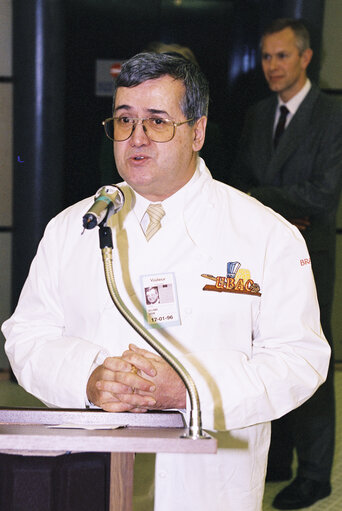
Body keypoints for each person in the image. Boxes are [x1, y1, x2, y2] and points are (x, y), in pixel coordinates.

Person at [2, 52, 331, 511]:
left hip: (208, 485)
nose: (137, 139)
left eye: (157, 122)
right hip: (93, 474)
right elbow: (26, 335)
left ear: (197, 132)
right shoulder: (70, 228)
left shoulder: (266, 234)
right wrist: (90, 378)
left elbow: (300, 359)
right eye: (124, 120)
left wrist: (188, 389)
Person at [230, 18, 342, 510]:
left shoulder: (333, 114)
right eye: (266, 56)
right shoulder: (257, 114)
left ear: (305, 57)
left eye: (281, 56)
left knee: (308, 357)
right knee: (262, 348)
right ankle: (278, 459)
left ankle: (315, 475)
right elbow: (238, 183)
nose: (271, 66)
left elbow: (322, 194)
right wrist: (260, 201)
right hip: (261, 253)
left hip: (309, 252)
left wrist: (259, 197)